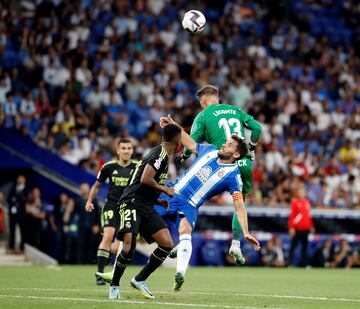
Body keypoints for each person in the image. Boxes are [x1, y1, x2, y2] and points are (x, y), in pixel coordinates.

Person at [156, 115, 260, 291]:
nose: (224, 145)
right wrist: (174, 125)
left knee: (185, 230)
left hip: (190, 204)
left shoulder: (233, 177)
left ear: (235, 154)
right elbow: (189, 142)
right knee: (140, 222)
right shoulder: (209, 150)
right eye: (226, 142)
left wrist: (246, 232)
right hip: (171, 192)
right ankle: (116, 272)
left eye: (229, 145)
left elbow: (239, 206)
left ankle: (179, 273)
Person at [174, 85, 262, 264]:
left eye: (201, 103)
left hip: (219, 163)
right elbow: (258, 129)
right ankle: (236, 244)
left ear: (204, 101)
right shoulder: (235, 110)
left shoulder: (203, 115)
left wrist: (182, 156)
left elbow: (191, 142)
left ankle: (184, 238)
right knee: (240, 203)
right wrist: (251, 148)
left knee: (194, 198)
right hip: (242, 162)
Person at [107, 124, 181, 300]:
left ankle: (139, 280)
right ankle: (114, 285)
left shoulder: (163, 156)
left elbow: (143, 182)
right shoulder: (159, 154)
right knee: (129, 245)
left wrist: (157, 200)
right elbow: (145, 178)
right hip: (131, 203)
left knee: (166, 244)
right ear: (177, 140)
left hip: (146, 204)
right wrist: (165, 190)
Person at [85, 138, 137, 285]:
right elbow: (96, 186)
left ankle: (114, 273)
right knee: (107, 237)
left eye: (129, 148)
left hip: (128, 208)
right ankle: (100, 275)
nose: (126, 151)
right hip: (111, 206)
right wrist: (89, 201)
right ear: (118, 151)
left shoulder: (138, 166)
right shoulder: (108, 167)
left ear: (132, 151)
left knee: (118, 246)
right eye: (124, 148)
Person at [288, 186, 315, 267]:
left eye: (303, 192)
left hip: (305, 229)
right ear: (298, 193)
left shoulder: (307, 202)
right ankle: (290, 264)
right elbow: (292, 215)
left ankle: (305, 264)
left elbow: (309, 216)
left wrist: (311, 226)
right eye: (300, 192)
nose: (302, 193)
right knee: (293, 246)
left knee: (305, 247)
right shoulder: (295, 202)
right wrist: (291, 227)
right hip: (297, 228)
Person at [76, 183, 101, 264]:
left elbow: (98, 213)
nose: (84, 190)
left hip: (92, 226)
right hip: (81, 226)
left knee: (92, 245)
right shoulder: (78, 201)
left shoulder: (94, 200)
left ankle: (91, 262)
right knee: (81, 245)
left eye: (86, 188)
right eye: (83, 188)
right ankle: (80, 263)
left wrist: (97, 225)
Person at [7, 175, 29, 253]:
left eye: (21, 179)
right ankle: (11, 247)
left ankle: (22, 248)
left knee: (23, 231)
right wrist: (14, 200)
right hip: (13, 213)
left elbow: (25, 200)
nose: (19, 180)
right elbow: (9, 198)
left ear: (24, 180)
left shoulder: (26, 189)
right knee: (12, 230)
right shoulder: (13, 188)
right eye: (18, 179)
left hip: (21, 214)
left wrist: (16, 199)